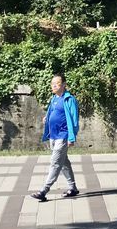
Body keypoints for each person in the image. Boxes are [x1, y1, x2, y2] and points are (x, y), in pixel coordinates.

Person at [30, 73, 80, 201]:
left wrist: (71, 137)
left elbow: (74, 120)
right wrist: (47, 117)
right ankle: (73, 188)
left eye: (57, 84)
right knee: (64, 163)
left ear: (64, 85)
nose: (54, 86)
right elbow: (52, 112)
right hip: (53, 135)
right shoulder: (54, 98)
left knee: (55, 162)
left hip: (63, 136)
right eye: (52, 84)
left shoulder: (69, 99)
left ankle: (44, 190)